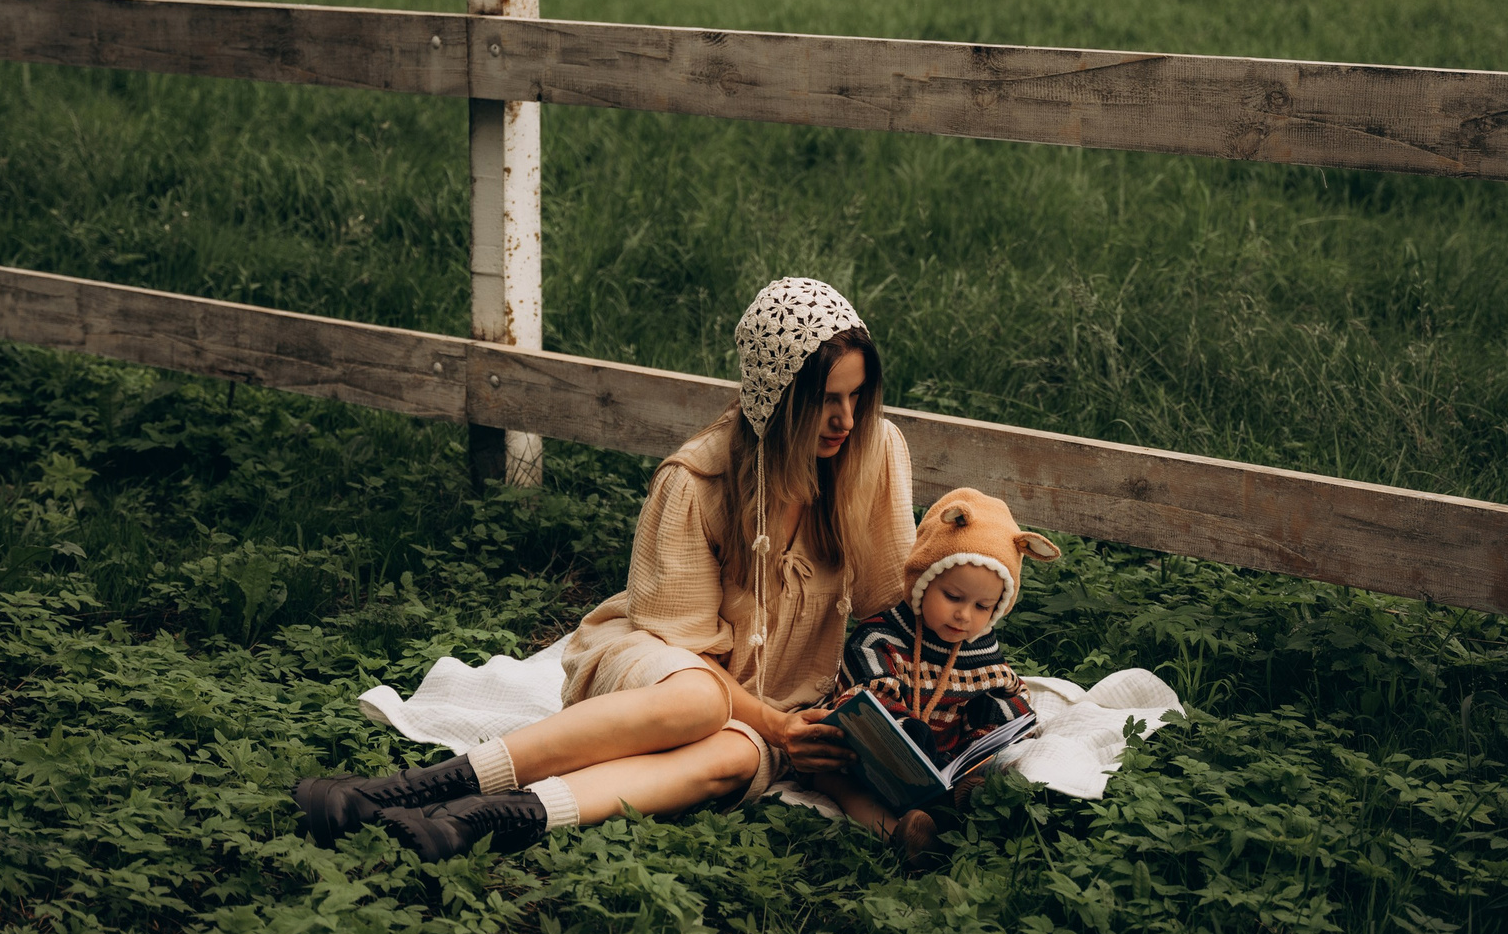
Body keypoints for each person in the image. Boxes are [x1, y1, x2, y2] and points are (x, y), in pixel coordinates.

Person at [294, 277, 916, 860]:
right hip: (661, 668)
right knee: (700, 703)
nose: (847, 419)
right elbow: (686, 657)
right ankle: (398, 790)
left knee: (727, 760)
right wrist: (777, 724)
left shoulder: (875, 453)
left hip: (777, 702)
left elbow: (890, 604)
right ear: (775, 398)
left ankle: (472, 821)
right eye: (826, 401)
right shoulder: (697, 483)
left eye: (857, 396)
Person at [814, 487, 1060, 855]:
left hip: (945, 766)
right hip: (877, 763)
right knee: (837, 778)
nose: (965, 615)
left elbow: (1008, 696)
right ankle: (898, 833)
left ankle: (939, 819)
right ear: (923, 580)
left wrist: (985, 732)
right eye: (953, 597)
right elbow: (867, 700)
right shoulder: (881, 637)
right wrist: (905, 742)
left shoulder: (980, 648)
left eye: (983, 606)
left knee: (987, 765)